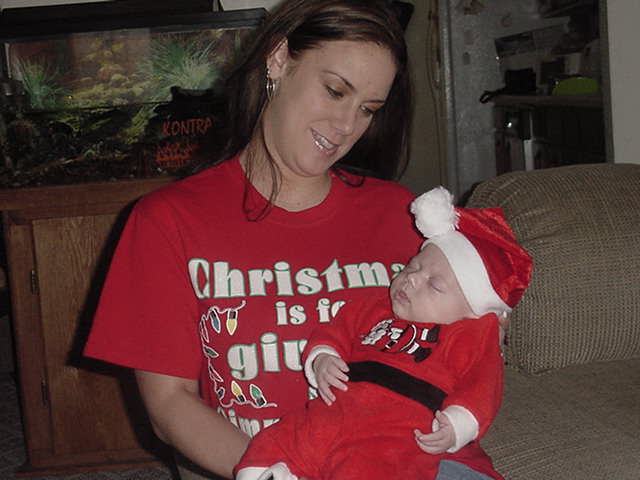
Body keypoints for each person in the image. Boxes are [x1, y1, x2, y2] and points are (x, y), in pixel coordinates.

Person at [83, 1, 423, 479]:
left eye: (368, 110)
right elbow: (169, 405)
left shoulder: (401, 214)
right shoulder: (168, 221)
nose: (347, 127)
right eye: (334, 91)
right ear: (279, 59)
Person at [235, 187, 533, 480]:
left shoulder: (471, 331)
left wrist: (458, 422)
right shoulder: (375, 306)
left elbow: (484, 383)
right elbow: (337, 329)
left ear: (471, 309)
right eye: (412, 267)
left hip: (399, 426)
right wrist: (323, 358)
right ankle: (266, 471)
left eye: (434, 285)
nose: (412, 279)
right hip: (336, 408)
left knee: (369, 465)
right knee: (279, 439)